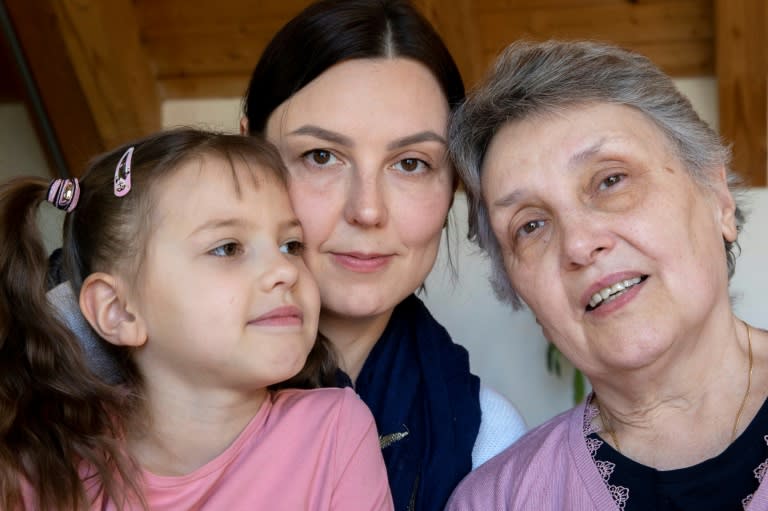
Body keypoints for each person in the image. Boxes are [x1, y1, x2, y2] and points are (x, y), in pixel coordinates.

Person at [444, 39, 768, 510]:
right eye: (530, 226)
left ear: (716, 195)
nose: (578, 245)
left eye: (610, 180)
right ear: (519, 290)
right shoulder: (497, 501)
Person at [0, 128, 393, 510]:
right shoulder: (46, 466)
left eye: (291, 245)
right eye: (227, 248)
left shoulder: (334, 431)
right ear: (118, 310)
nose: (285, 270)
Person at [240, 0, 528, 509]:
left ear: (453, 187)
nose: (367, 210)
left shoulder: (489, 441)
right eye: (321, 156)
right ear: (247, 154)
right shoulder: (109, 370)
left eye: (411, 163)